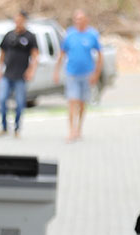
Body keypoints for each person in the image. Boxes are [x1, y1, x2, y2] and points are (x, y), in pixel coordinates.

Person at [53, 9, 102, 142]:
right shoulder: (70, 34)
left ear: (86, 20)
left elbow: (99, 55)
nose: (78, 21)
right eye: (76, 19)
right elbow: (62, 54)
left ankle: (79, 127)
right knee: (72, 101)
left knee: (81, 104)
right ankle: (71, 130)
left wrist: (96, 74)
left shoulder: (92, 35)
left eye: (81, 19)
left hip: (87, 74)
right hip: (72, 74)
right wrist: (56, 71)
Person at [0, 11, 39, 138]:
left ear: (24, 21)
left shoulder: (30, 37)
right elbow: (2, 53)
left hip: (21, 76)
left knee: (20, 103)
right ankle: (4, 127)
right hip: (7, 74)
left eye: (20, 20)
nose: (18, 22)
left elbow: (35, 56)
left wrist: (31, 70)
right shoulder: (9, 35)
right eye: (16, 20)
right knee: (2, 99)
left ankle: (17, 128)